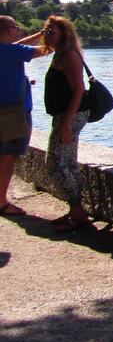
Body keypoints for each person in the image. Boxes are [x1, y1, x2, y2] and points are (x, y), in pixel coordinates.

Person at [38, 16, 91, 230]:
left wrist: (67, 123)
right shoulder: (59, 54)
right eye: (45, 31)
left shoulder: (69, 56)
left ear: (64, 34)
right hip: (64, 116)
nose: (46, 34)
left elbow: (79, 89)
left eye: (51, 31)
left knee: (56, 164)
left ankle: (78, 213)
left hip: (70, 116)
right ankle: (76, 211)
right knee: (66, 163)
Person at [0, 15, 49, 216]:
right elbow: (46, 50)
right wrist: (57, 37)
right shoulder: (12, 52)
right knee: (8, 157)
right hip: (12, 115)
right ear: (7, 30)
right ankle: (1, 202)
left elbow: (17, 46)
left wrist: (39, 35)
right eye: (15, 27)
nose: (19, 30)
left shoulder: (7, 50)